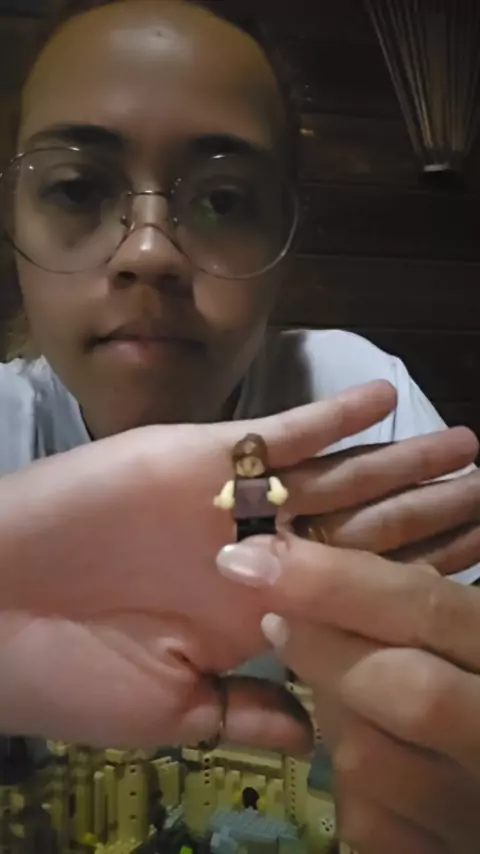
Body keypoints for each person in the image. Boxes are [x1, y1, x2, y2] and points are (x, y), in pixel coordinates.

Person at [1, 0, 480, 850]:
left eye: (223, 200)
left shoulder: (356, 403)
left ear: (281, 246)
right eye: (75, 189)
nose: (148, 252)